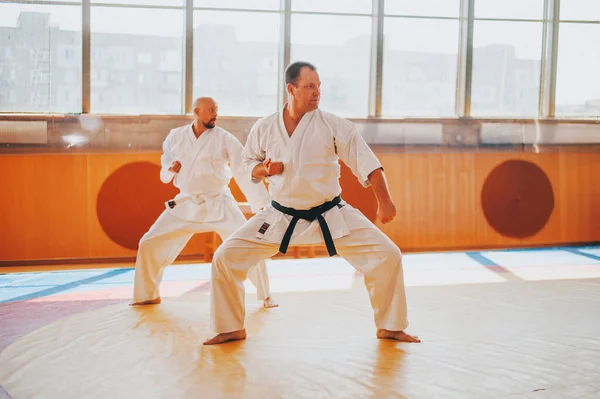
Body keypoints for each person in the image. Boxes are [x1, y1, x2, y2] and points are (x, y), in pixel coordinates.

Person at [203, 62, 419, 345]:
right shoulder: (265, 127)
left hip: (330, 215)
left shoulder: (332, 124)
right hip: (279, 217)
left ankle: (390, 326)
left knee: (388, 255)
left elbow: (366, 162)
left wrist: (385, 201)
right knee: (225, 257)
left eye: (318, 86)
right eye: (309, 86)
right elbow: (248, 165)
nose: (317, 93)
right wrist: (265, 169)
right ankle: (230, 327)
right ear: (291, 89)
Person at [131, 97, 277, 309]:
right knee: (149, 242)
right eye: (210, 110)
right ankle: (146, 295)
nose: (215, 114)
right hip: (186, 203)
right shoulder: (176, 136)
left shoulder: (225, 138)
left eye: (216, 110)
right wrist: (170, 169)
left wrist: (262, 205)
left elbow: (242, 170)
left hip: (219, 202)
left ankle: (265, 295)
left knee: (249, 242)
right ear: (197, 111)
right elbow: (164, 170)